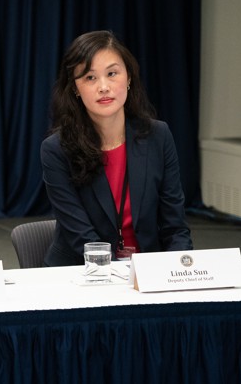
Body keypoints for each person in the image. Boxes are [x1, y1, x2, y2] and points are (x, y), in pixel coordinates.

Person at [40, 30, 193, 267]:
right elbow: (81, 237)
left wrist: (179, 271)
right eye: (90, 78)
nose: (104, 87)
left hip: (148, 274)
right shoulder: (56, 149)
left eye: (112, 74)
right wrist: (125, 279)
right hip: (82, 274)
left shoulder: (158, 136)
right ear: (75, 89)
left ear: (129, 77)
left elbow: (175, 227)